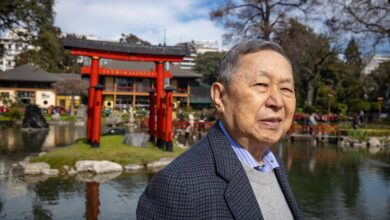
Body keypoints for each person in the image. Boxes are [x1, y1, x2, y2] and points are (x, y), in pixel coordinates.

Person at [137, 40, 302, 219]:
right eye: (261, 84)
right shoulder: (179, 186)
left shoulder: (273, 164)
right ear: (220, 96)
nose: (277, 101)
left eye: (286, 88)